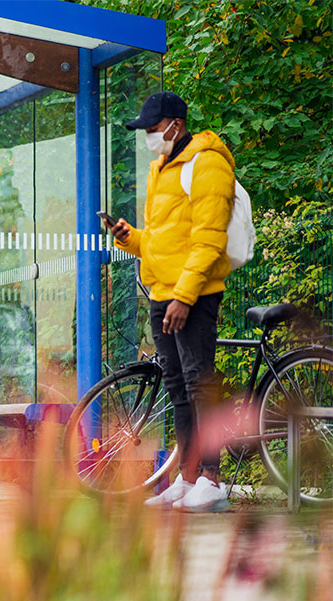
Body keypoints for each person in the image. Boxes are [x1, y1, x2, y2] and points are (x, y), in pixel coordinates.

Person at [107, 91, 235, 512]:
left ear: (175, 125)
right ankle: (188, 477)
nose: (148, 135)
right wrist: (132, 239)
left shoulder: (208, 162)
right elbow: (163, 241)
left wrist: (184, 294)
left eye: (152, 128)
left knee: (201, 383)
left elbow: (209, 238)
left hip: (193, 295)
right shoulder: (161, 167)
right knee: (178, 386)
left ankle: (213, 482)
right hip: (163, 293)